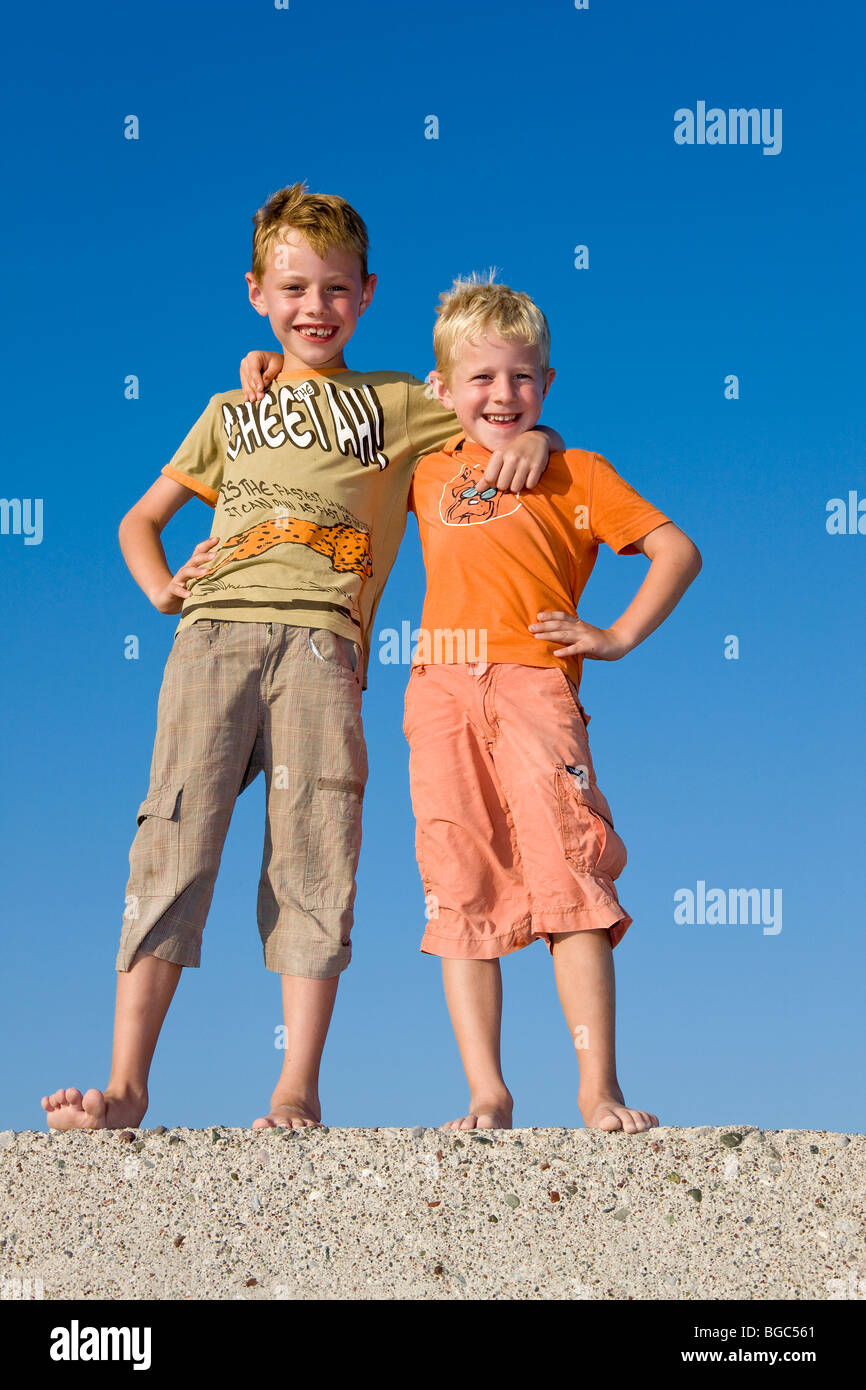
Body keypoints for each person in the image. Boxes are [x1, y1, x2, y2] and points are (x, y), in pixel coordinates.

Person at [40, 186, 563, 1133]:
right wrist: (161, 586)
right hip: (213, 637)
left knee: (314, 857)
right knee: (174, 842)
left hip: (324, 647)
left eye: (333, 289)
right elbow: (139, 518)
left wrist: (541, 435)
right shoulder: (231, 408)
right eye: (292, 289)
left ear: (366, 294)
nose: (312, 308)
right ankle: (126, 1086)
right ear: (256, 293)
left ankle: (296, 1088)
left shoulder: (401, 400)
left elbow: (491, 401)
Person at [403, 275, 702, 1132]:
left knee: (571, 874)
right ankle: (487, 1093)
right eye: (483, 379)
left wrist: (615, 635)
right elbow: (361, 400)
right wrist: (270, 367)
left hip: (536, 684)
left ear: (548, 383)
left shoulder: (577, 471)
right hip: (439, 690)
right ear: (445, 390)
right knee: (460, 885)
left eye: (524, 378)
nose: (503, 395)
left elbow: (675, 551)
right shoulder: (424, 469)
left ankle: (596, 1088)